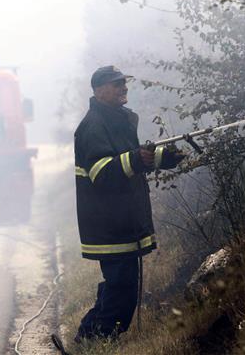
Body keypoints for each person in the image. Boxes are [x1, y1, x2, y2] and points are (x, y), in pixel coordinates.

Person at [73, 65, 184, 342]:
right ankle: (98, 338)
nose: (124, 87)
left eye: (124, 83)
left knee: (120, 285)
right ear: (99, 91)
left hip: (122, 218)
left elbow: (132, 160)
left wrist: (162, 158)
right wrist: (137, 159)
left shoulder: (117, 119)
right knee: (121, 286)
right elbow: (102, 172)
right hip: (109, 222)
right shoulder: (94, 126)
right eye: (116, 84)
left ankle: (89, 335)